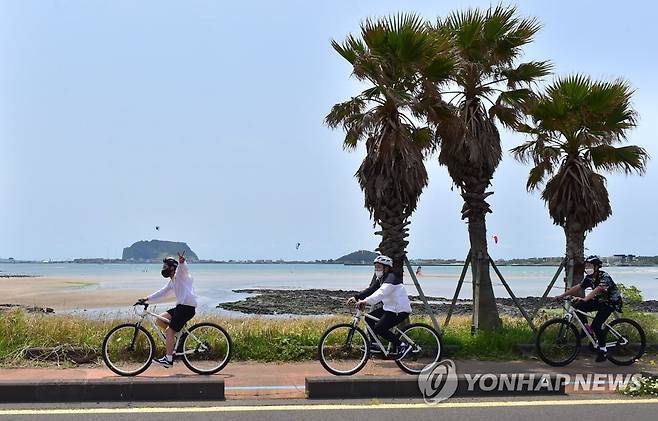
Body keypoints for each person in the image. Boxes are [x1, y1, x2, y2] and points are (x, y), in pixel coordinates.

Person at [556, 255, 622, 362]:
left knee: (596, 325)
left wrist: (585, 299)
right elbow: (578, 287)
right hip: (599, 301)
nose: (587, 268)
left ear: (596, 267)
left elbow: (599, 289)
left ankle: (603, 350)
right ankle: (587, 329)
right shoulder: (589, 278)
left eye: (590, 265)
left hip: (610, 302)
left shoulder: (604, 276)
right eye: (586, 266)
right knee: (578, 306)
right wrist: (562, 296)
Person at [347, 255, 412, 360]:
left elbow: (380, 293)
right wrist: (357, 297)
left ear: (386, 268)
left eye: (379, 267)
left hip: (399, 310)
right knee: (368, 318)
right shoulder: (381, 279)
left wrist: (366, 301)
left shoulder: (391, 278)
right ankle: (375, 344)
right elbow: (371, 289)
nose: (377, 269)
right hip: (389, 308)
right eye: (375, 267)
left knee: (380, 328)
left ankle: (402, 345)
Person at [140, 251, 198, 368]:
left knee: (169, 331)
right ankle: (174, 341)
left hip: (187, 307)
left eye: (165, 266)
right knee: (160, 320)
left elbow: (184, 270)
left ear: (172, 268)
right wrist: (147, 298)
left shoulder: (180, 275)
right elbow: (163, 292)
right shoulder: (172, 281)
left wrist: (182, 262)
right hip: (180, 307)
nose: (163, 269)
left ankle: (169, 359)